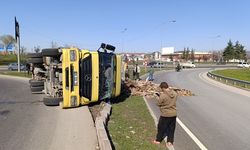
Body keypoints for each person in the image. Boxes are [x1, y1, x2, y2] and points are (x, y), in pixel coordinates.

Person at [153, 82, 177, 150]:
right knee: (171, 129)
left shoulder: (163, 96)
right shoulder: (175, 94)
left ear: (163, 88)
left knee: (161, 127)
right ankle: (170, 141)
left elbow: (158, 104)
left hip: (165, 114)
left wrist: (157, 97)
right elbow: (171, 98)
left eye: (161, 88)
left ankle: (158, 140)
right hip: (173, 114)